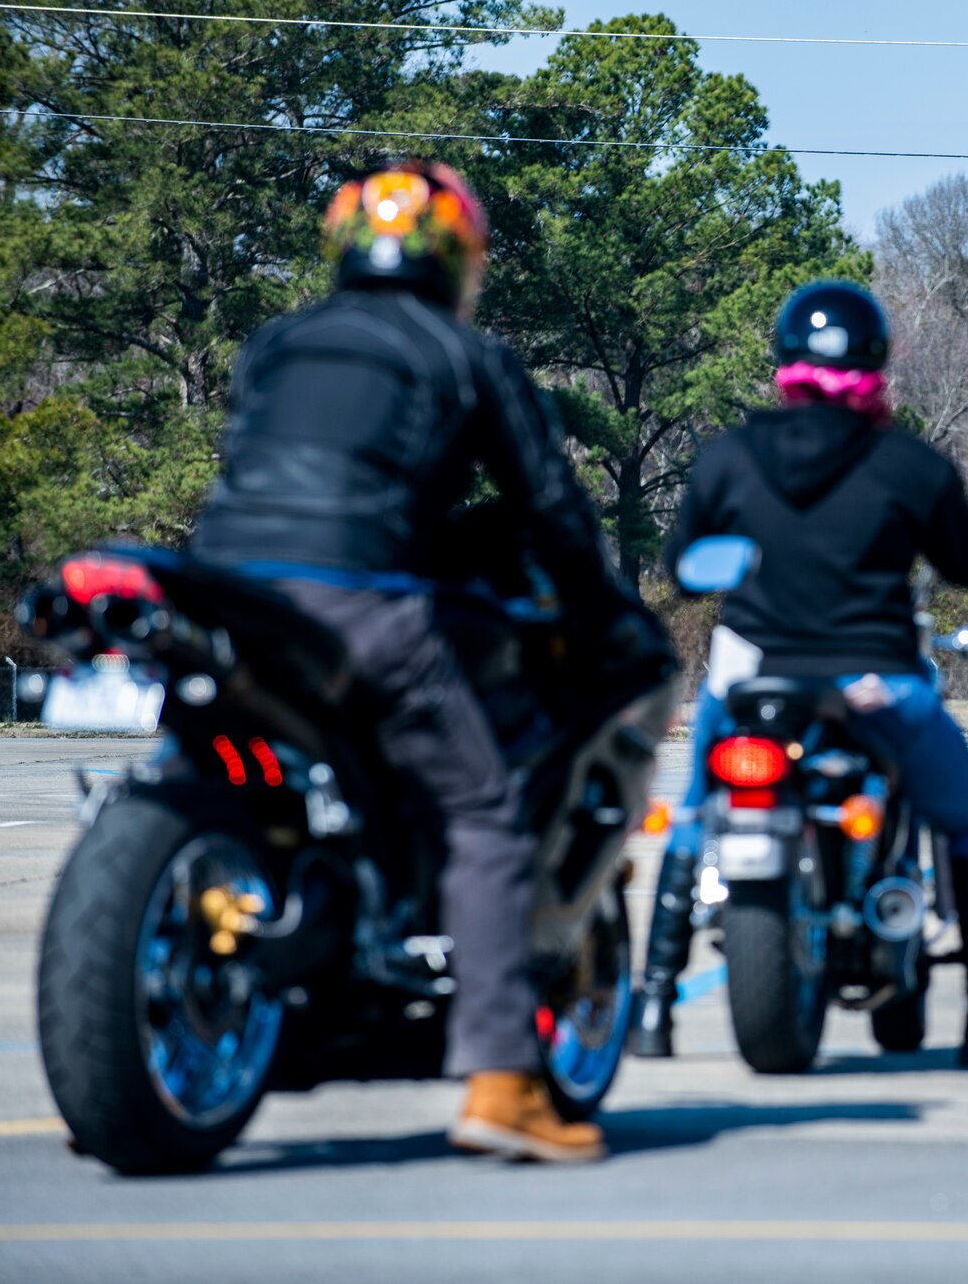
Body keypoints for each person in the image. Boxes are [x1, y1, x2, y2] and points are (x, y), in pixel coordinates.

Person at [190, 161, 666, 1162]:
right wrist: (612, 620)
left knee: (199, 761)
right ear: (457, 260)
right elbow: (550, 508)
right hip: (356, 598)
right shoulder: (465, 354)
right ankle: (500, 1082)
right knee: (482, 814)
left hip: (222, 593)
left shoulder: (274, 343)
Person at [631, 279, 968, 1069]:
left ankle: (652, 1004)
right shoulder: (909, 465)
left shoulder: (728, 458)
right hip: (875, 682)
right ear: (877, 362)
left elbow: (683, 570)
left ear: (784, 363)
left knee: (694, 813)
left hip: (753, 681)